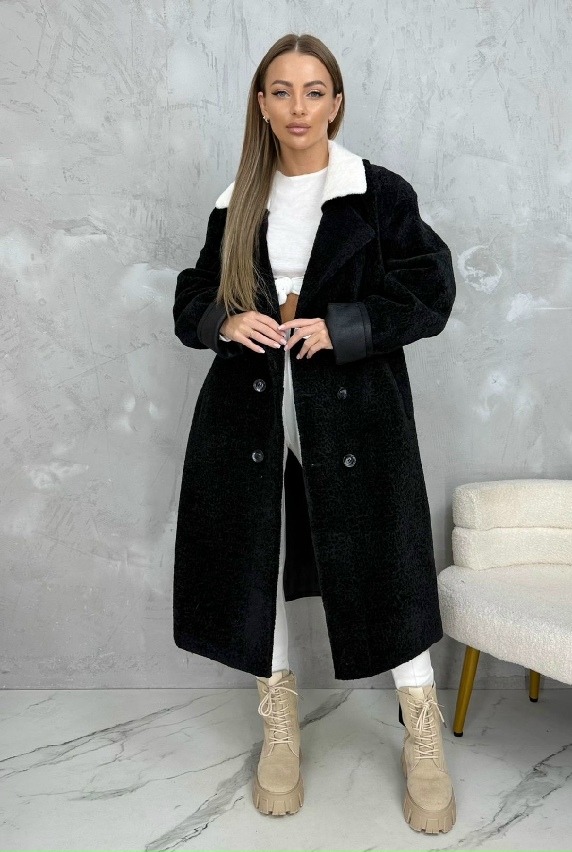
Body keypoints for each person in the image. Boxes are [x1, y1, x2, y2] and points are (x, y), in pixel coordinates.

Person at [172, 33, 457, 834]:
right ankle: (279, 722)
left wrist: (345, 326)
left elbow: (431, 290)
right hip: (251, 416)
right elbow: (191, 295)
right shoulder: (236, 200)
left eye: (314, 91)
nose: (298, 107)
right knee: (256, 561)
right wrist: (225, 322)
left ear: (336, 103)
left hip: (357, 416)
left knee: (387, 562)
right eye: (281, 91)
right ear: (261, 105)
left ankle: (422, 730)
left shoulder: (377, 194)